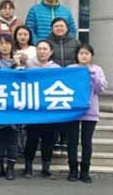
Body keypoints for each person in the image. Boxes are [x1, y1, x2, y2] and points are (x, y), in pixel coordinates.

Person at [67, 44, 107, 183]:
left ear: (91, 55)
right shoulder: (71, 69)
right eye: (81, 53)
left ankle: (85, 171)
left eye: (87, 53)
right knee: (72, 141)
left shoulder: (97, 69)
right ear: (77, 55)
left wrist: (93, 76)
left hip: (90, 110)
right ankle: (73, 170)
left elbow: (100, 89)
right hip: (73, 110)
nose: (84, 56)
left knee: (86, 142)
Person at [22, 40, 61, 178]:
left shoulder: (57, 68)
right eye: (39, 49)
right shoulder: (28, 65)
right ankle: (28, 167)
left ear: (51, 52)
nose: (42, 52)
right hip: (33, 110)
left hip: (50, 111)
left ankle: (46, 167)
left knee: (48, 140)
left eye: (45, 49)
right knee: (31, 139)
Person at [48, 17, 81, 154]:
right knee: (54, 112)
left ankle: (65, 140)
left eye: (62, 26)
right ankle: (55, 141)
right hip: (52, 82)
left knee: (68, 112)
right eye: (56, 26)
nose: (59, 28)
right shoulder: (47, 42)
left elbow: (80, 59)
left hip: (70, 82)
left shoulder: (75, 42)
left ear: (67, 28)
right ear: (52, 28)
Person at [0, 34, 19, 181]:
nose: (4, 46)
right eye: (1, 44)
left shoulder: (20, 63)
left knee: (12, 139)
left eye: (7, 43)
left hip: (15, 106)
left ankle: (10, 168)